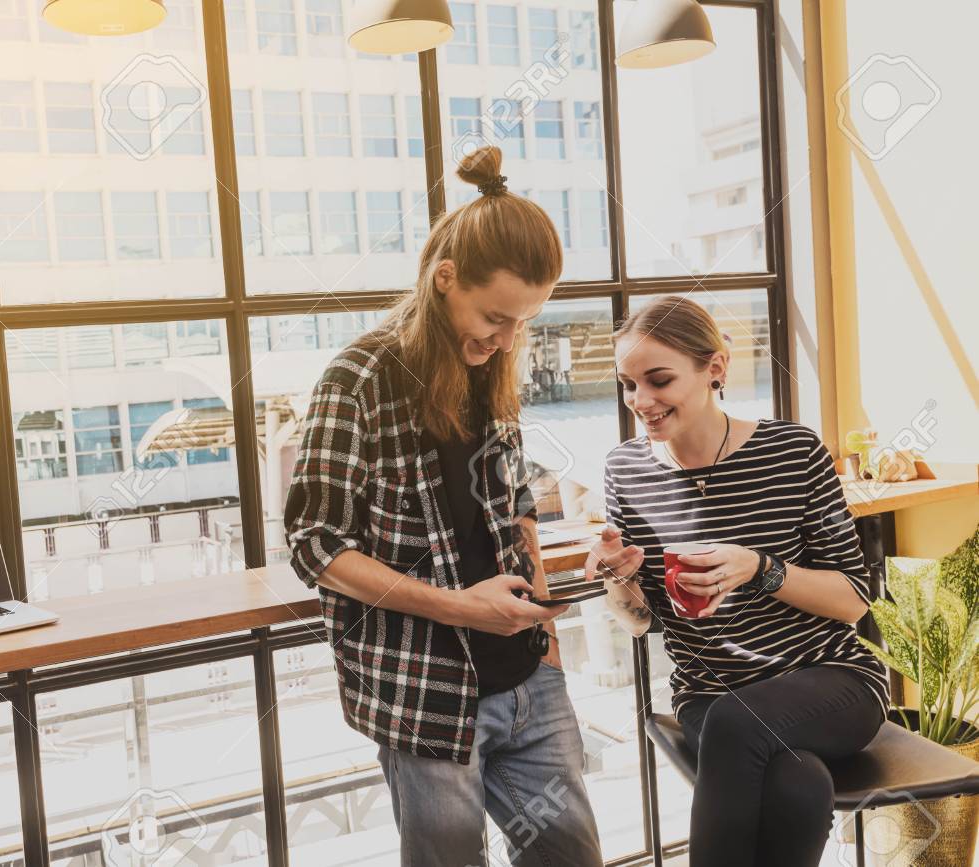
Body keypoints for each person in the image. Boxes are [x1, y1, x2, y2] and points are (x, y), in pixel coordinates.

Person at [283, 146, 604, 867]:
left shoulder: (490, 372)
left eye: (522, 323)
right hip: (425, 694)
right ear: (444, 277)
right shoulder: (357, 378)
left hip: (529, 680)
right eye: (496, 316)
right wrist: (465, 608)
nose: (506, 340)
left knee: (571, 857)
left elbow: (518, 506)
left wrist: (545, 644)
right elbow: (314, 545)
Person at [585, 296, 889, 867]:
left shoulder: (793, 452)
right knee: (799, 784)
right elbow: (640, 621)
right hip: (710, 693)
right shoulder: (625, 470)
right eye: (628, 384)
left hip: (833, 681)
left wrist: (761, 568)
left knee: (737, 725)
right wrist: (617, 579)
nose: (641, 402)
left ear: (716, 369)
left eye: (659, 380)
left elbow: (852, 601)